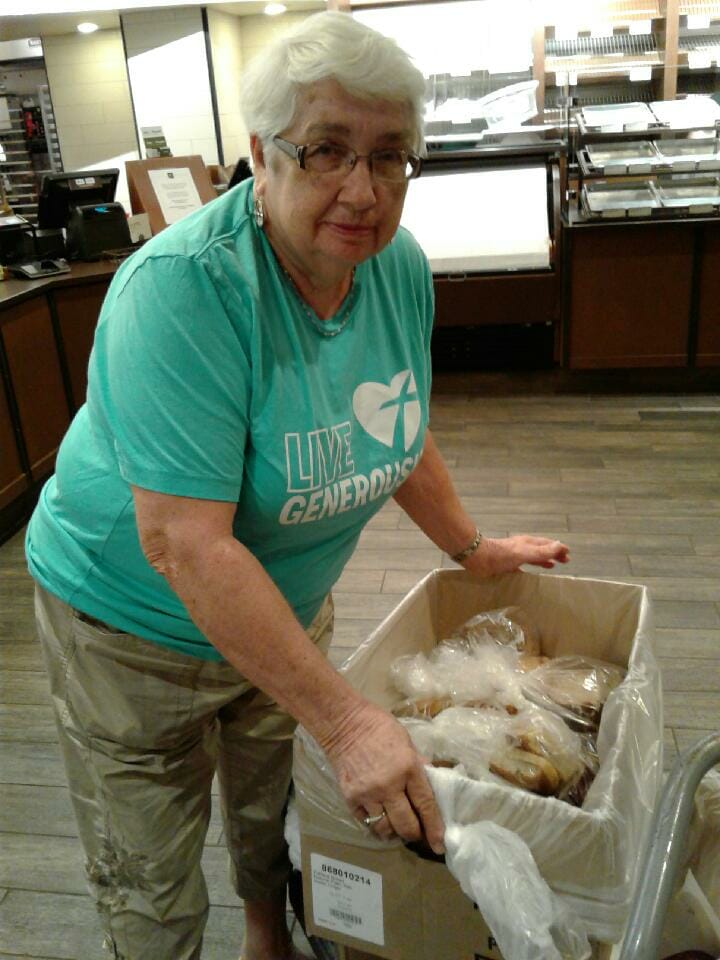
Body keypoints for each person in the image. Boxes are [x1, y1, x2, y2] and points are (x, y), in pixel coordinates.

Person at [25, 12, 570, 960]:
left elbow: (393, 422)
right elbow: (185, 543)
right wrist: (352, 720)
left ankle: (267, 935)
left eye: (390, 155)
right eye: (326, 150)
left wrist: (472, 550)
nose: (362, 189)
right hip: (129, 632)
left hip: (281, 604)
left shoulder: (393, 266)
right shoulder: (182, 291)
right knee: (151, 884)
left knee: (274, 815)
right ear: (259, 157)